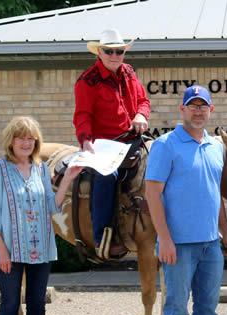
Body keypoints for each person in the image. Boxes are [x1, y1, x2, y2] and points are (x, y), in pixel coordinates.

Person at [145, 85, 227, 315]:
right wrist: (165, 239)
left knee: (207, 309)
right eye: (192, 105)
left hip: (211, 245)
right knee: (176, 310)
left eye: (203, 106)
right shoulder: (165, 145)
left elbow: (215, 197)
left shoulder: (215, 147)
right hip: (179, 246)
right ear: (182, 110)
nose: (198, 111)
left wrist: (226, 232)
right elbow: (152, 194)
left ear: (210, 110)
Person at [0, 116, 81, 315]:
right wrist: (0, 249)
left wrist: (68, 179)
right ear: (11, 141)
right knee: (10, 303)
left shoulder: (40, 169)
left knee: (37, 303)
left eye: (31, 138)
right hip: (9, 251)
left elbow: (52, 205)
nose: (26, 142)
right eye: (21, 137)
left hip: (40, 248)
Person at [73, 29, 151, 258]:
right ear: (100, 52)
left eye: (119, 51)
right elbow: (82, 115)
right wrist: (86, 140)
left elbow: (143, 101)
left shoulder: (129, 72)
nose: (115, 55)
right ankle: (102, 236)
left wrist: (141, 116)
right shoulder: (87, 81)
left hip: (133, 139)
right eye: (109, 51)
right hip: (104, 144)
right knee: (107, 176)